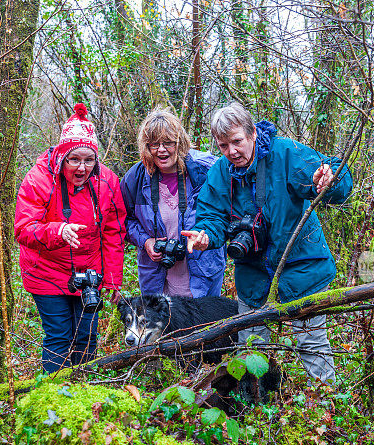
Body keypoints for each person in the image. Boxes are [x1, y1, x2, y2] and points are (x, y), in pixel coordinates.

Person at [182, 102, 353, 384]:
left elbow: (335, 175)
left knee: (311, 343)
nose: (231, 152)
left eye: (237, 142)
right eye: (223, 146)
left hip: (302, 268)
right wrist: (205, 236)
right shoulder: (220, 174)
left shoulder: (285, 155)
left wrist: (328, 180)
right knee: (252, 347)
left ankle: (327, 403)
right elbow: (212, 216)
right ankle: (255, 407)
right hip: (254, 275)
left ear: (251, 134)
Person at [14, 103, 126, 374]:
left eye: (89, 160)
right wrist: (57, 231)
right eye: (74, 159)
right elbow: (23, 228)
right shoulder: (39, 179)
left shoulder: (107, 181)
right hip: (46, 273)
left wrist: (111, 279)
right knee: (59, 336)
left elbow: (113, 232)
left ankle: (84, 393)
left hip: (89, 274)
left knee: (87, 337)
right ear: (63, 156)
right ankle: (53, 396)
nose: (81, 168)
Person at [121, 108, 226, 297]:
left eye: (168, 143)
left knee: (205, 325)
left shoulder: (205, 170)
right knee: (164, 324)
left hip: (202, 270)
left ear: (180, 142)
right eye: (154, 144)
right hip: (157, 276)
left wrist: (207, 235)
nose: (161, 150)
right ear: (146, 146)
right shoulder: (135, 178)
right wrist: (145, 241)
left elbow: (225, 213)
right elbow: (122, 220)